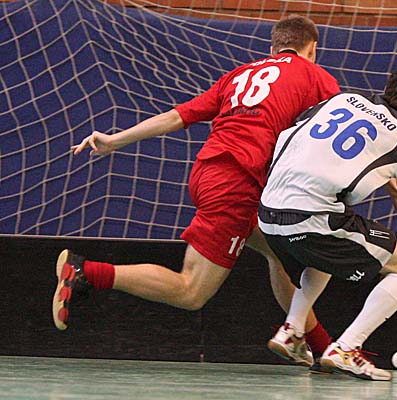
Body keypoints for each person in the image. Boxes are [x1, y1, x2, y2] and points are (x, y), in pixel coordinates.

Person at [53, 15, 340, 366]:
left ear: (273, 48)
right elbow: (340, 131)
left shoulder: (239, 75)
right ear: (312, 49)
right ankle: (85, 272)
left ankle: (319, 346)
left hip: (209, 172)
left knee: (280, 254)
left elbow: (177, 116)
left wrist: (115, 140)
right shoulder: (314, 75)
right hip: (237, 184)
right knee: (191, 290)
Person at [259, 63, 397, 380]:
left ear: (388, 88)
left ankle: (292, 331)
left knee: (330, 246)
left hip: (268, 213)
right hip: (310, 221)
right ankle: (346, 349)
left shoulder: (344, 99)